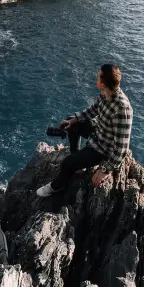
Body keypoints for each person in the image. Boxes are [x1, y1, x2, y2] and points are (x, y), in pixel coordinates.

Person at [36, 64, 133, 197]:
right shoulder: (106, 94)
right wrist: (72, 121)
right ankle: (77, 160)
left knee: (67, 163)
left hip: (103, 150)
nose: (96, 78)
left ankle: (56, 186)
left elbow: (121, 148)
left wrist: (104, 170)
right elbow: (92, 110)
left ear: (103, 84)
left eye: (98, 76)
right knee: (74, 123)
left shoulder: (122, 109)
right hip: (99, 133)